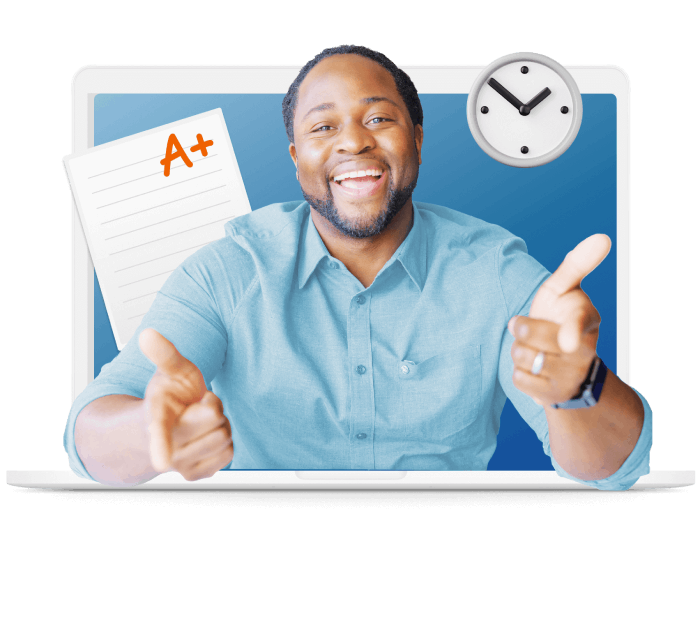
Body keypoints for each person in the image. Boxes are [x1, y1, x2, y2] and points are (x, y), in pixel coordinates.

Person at [65, 45, 651, 489]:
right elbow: (88, 436)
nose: (352, 143)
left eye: (378, 119)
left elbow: (615, 470)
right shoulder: (229, 271)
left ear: (417, 138)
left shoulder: (496, 271)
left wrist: (581, 387)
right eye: (323, 127)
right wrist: (151, 434)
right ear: (297, 159)